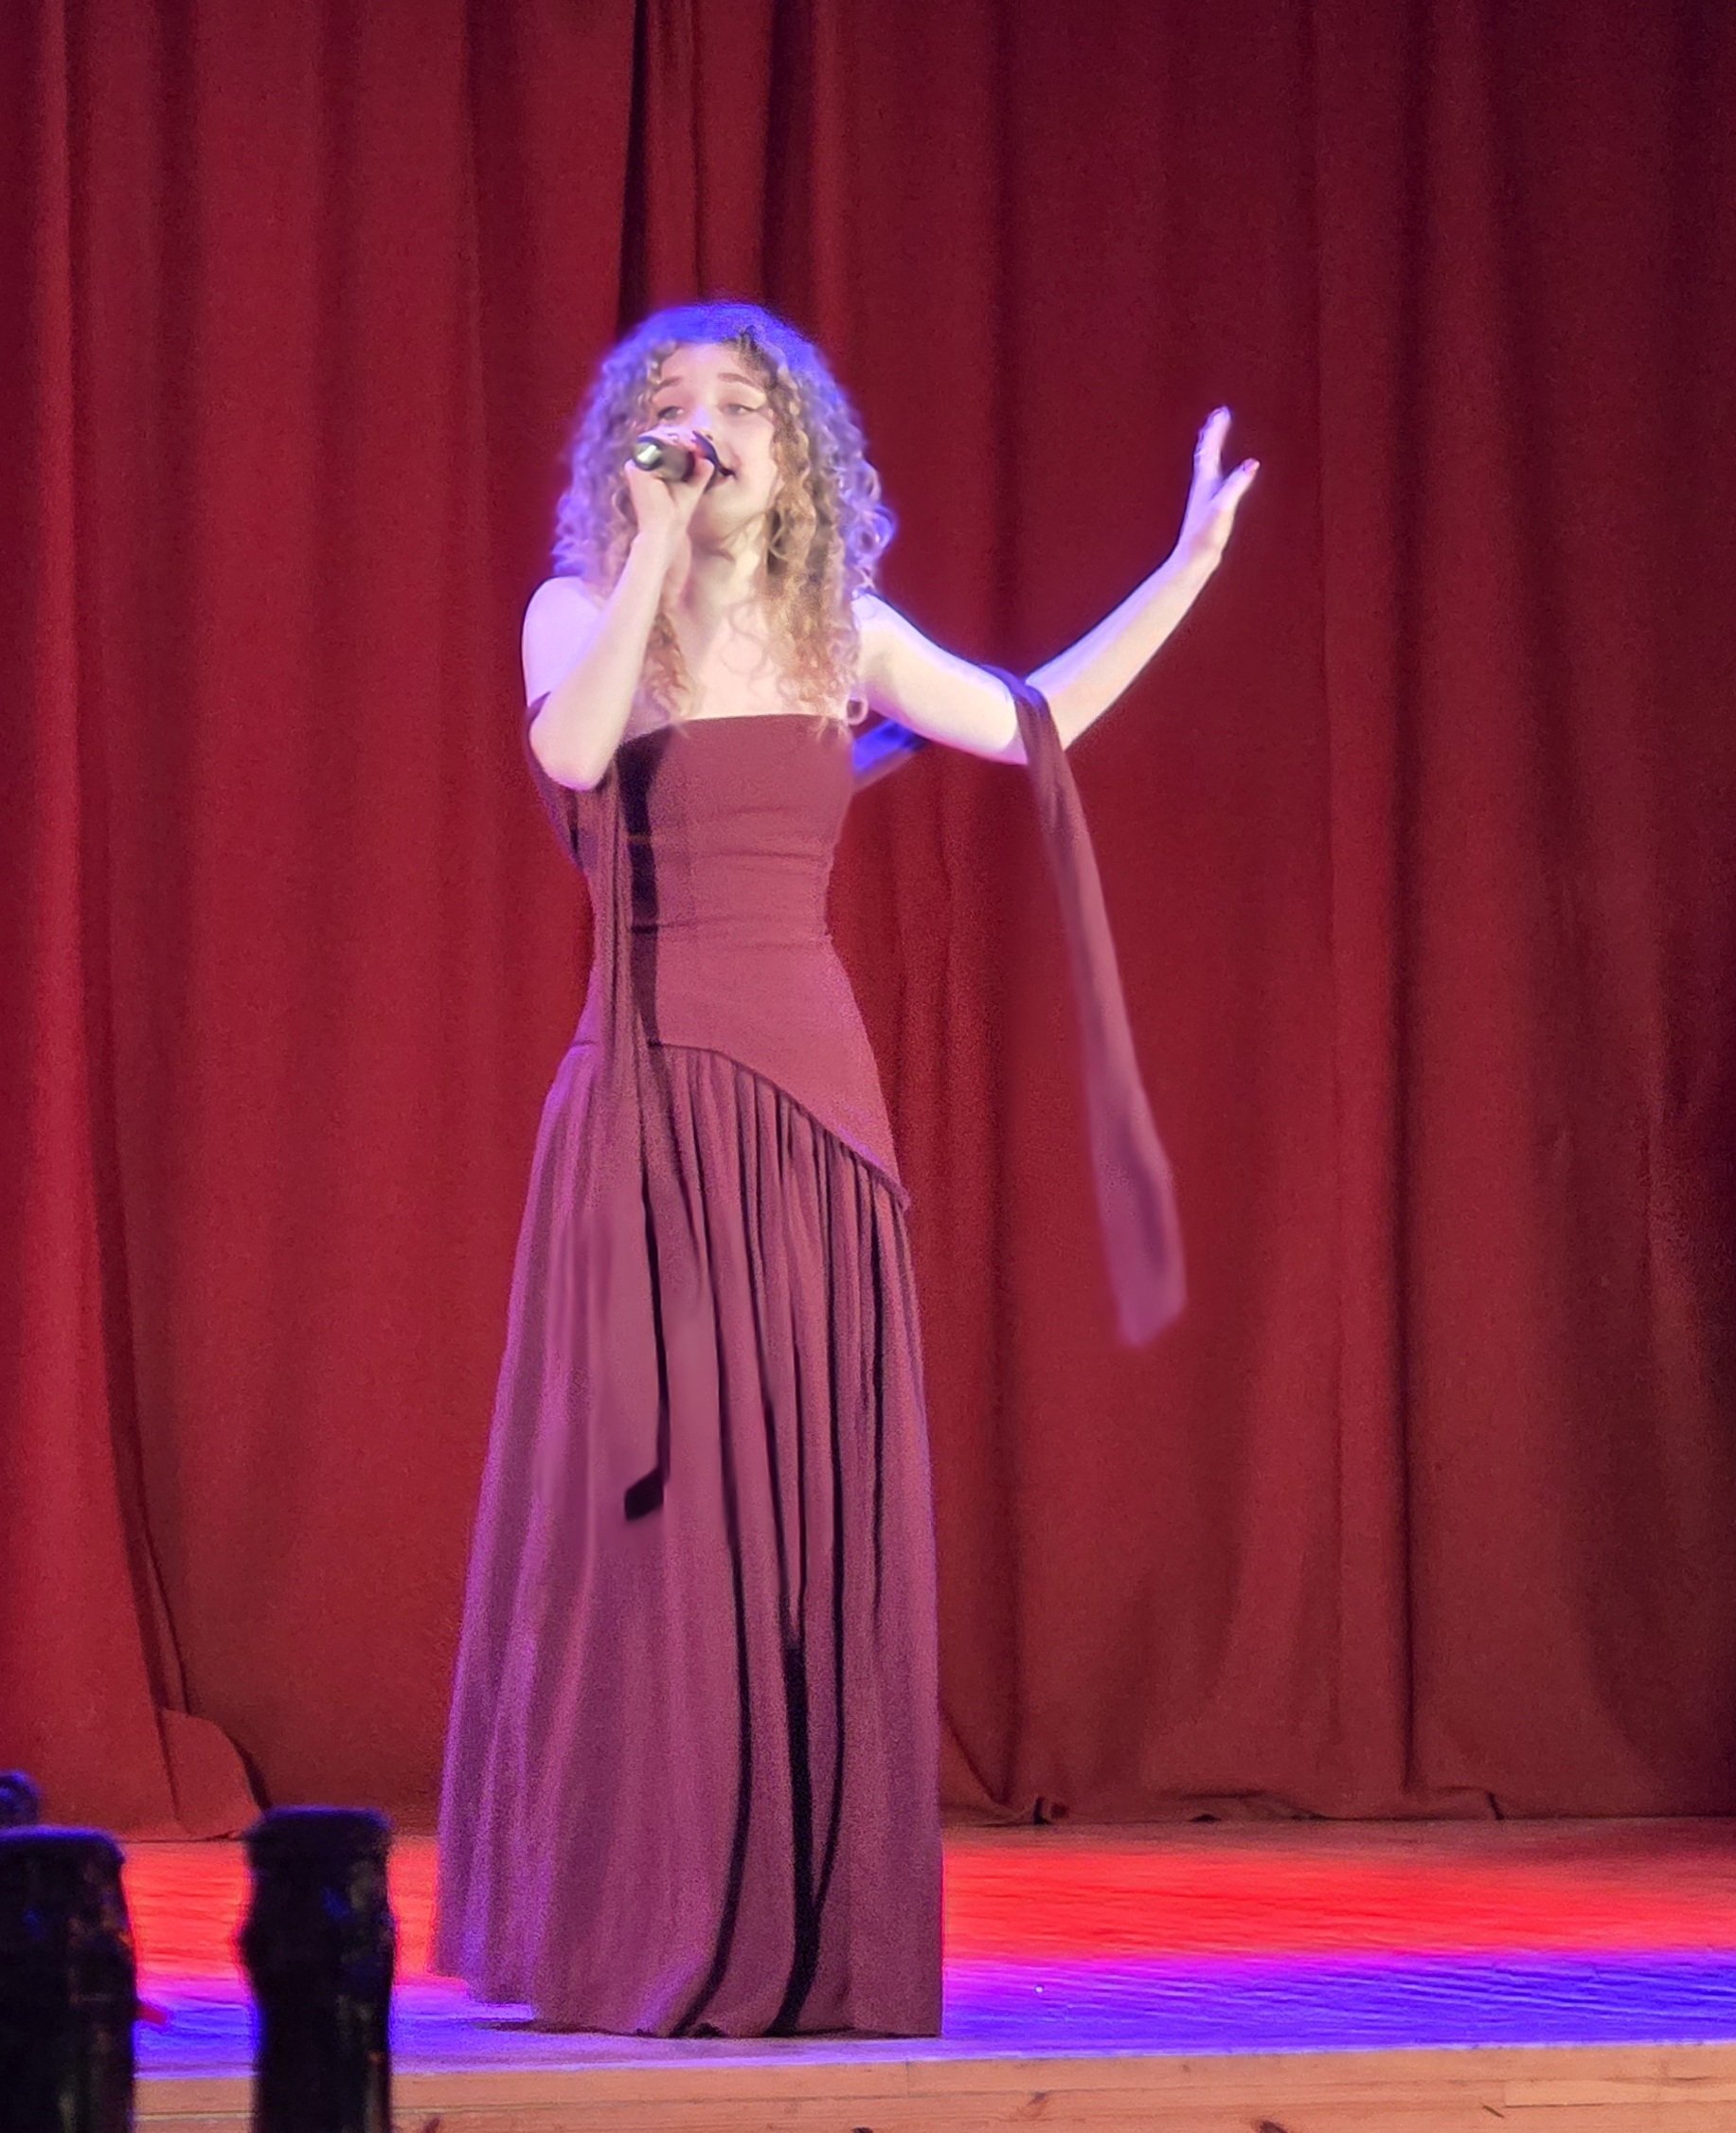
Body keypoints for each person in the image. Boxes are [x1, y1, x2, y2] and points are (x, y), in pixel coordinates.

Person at [431, 301, 1253, 2037]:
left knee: (798, 1509)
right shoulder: (577, 612)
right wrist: (652, 557)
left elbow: (1035, 721)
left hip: (813, 1111)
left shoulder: (845, 637)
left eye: (743, 404)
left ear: (798, 456)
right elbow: (571, 754)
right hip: (646, 1105)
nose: (707, 426)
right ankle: (635, 1909)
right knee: (652, 1524)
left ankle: (796, 1917)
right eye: (672, 405)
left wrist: (1183, 570)